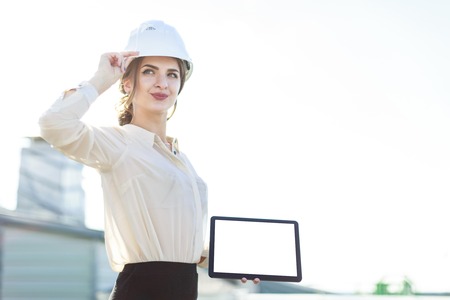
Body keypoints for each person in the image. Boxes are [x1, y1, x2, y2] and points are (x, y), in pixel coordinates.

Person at [39, 20, 258, 299]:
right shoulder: (118, 144)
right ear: (128, 81)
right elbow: (53, 124)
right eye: (149, 72)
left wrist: (227, 257)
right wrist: (101, 78)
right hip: (140, 290)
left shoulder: (183, 161)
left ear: (180, 84)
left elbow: (174, 246)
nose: (161, 83)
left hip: (185, 289)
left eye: (171, 75)